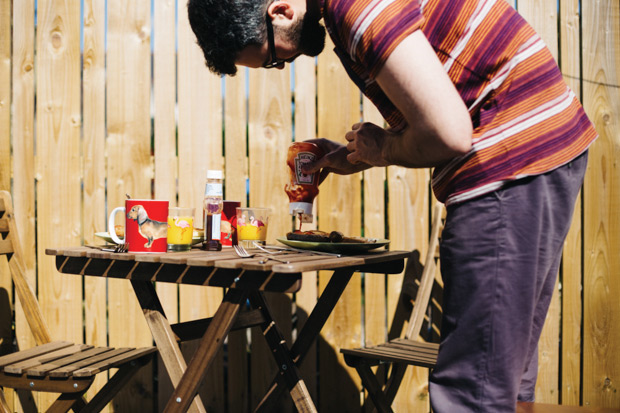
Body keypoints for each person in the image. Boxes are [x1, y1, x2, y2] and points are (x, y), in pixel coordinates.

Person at [187, 0, 598, 411]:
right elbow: (447, 100)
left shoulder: (357, 9)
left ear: (280, 11)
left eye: (275, 58)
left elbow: (449, 134)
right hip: (544, 144)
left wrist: (383, 149)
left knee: (474, 390)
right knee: (507, 375)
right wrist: (364, 154)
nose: (286, 63)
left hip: (506, 160)